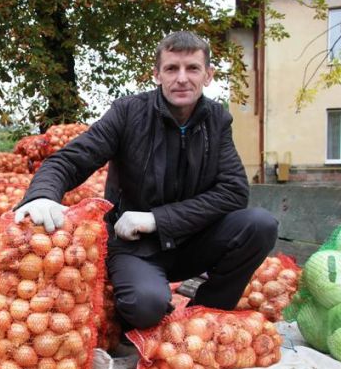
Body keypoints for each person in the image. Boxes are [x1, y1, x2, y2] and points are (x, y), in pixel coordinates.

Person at [14, 31, 278, 332]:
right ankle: (145, 294)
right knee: (145, 307)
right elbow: (70, 159)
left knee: (260, 224)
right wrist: (42, 195)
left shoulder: (216, 120)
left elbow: (233, 191)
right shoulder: (128, 114)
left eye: (192, 68)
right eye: (171, 68)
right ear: (156, 75)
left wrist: (157, 219)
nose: (182, 78)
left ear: (208, 75)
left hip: (193, 242)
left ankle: (205, 313)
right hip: (135, 246)